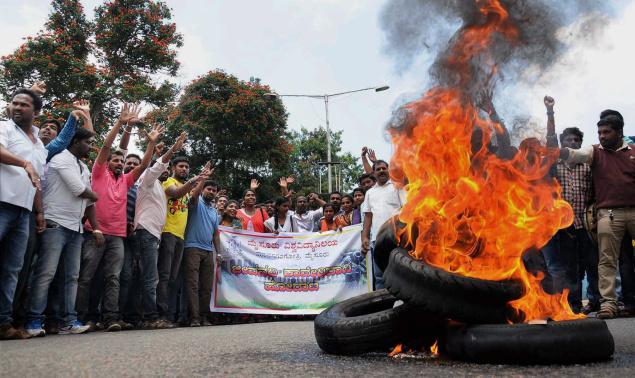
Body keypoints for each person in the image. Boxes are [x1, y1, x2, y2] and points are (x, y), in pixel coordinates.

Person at [76, 106, 160, 332]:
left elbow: (143, 166)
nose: (119, 164)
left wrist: (151, 144)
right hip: (94, 232)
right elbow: (105, 146)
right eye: (115, 161)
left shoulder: (126, 181)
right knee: (87, 277)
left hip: (117, 237)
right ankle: (81, 318)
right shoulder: (98, 172)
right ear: (106, 163)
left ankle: (110, 317)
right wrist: (120, 124)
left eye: (121, 163)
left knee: (113, 277)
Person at [558, 110, 635, 319]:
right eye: (599, 132)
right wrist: (556, 152)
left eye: (606, 132)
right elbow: (575, 154)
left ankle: (628, 302)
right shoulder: (594, 152)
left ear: (619, 132)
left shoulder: (632, 152)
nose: (601, 136)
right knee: (607, 260)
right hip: (609, 215)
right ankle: (608, 304)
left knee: (626, 260)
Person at [24, 128, 98, 336]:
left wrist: (91, 195)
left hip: (76, 227)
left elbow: (88, 198)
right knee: (45, 273)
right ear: (75, 141)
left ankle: (68, 321)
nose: (90, 146)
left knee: (71, 277)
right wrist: (94, 194)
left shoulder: (82, 166)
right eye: (88, 142)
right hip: (55, 223)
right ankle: (33, 322)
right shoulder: (61, 159)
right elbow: (80, 190)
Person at [120, 132, 187, 329]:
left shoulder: (157, 186)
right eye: (163, 167)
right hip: (145, 233)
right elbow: (159, 164)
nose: (165, 170)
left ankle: (134, 316)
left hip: (151, 235)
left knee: (142, 277)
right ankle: (150, 317)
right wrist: (173, 148)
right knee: (150, 277)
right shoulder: (147, 178)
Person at [542, 96, 599, 314]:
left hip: (584, 225)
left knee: (587, 267)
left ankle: (588, 303)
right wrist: (550, 112)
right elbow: (549, 140)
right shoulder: (554, 165)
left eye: (577, 141)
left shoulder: (587, 168)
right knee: (567, 269)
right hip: (563, 228)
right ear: (562, 143)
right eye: (569, 140)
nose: (573, 143)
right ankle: (570, 306)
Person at [0, 89, 47, 339]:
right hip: (1, 203)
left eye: (24, 104)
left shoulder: (39, 143)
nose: (17, 107)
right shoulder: (4, 128)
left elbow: (36, 180)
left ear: (36, 112)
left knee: (12, 269)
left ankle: (3, 323)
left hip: (24, 212)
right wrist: (24, 163)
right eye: (14, 103)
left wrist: (39, 212)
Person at [157, 155, 205, 325]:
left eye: (186, 167)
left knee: (173, 277)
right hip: (167, 232)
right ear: (173, 168)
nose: (184, 169)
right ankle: (160, 315)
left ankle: (169, 316)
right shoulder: (168, 181)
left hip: (180, 236)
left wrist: (202, 180)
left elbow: (192, 200)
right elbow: (176, 194)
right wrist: (193, 181)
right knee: (164, 275)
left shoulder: (186, 188)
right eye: (181, 166)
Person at [361, 160, 406, 290]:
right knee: (380, 276)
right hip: (377, 240)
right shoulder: (369, 193)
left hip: (397, 238)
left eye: (383, 168)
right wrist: (364, 237)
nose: (381, 171)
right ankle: (384, 308)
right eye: (378, 169)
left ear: (388, 170)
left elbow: (406, 209)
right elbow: (368, 217)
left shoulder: (397, 186)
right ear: (373, 173)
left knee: (401, 274)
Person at [183, 170, 220, 327]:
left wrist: (218, 253)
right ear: (202, 189)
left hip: (208, 251)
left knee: (206, 286)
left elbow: (216, 234)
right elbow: (193, 197)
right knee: (192, 285)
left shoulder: (214, 211)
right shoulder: (196, 202)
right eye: (208, 189)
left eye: (213, 190)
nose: (211, 192)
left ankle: (204, 316)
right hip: (192, 247)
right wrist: (202, 179)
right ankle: (194, 318)